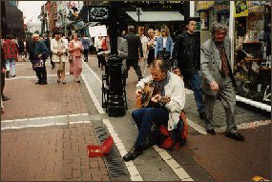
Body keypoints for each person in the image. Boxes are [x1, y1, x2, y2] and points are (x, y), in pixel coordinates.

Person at [123, 58, 185, 161]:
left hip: (169, 113)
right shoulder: (155, 76)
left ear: (164, 72)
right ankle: (148, 136)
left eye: (156, 75)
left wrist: (162, 100)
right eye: (152, 74)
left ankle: (138, 147)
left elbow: (178, 106)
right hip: (156, 108)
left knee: (148, 113)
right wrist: (139, 89)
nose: (153, 77)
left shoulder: (176, 82)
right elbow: (143, 81)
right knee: (136, 114)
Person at [201, 22, 244, 141]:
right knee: (209, 107)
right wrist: (211, 81)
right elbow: (204, 66)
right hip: (213, 79)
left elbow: (228, 57)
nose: (221, 36)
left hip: (226, 78)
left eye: (223, 34)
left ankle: (231, 130)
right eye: (218, 34)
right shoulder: (206, 46)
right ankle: (209, 125)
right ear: (213, 34)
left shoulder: (227, 41)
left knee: (231, 104)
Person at [173, 18, 207, 120]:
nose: (194, 26)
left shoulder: (197, 37)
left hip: (193, 68)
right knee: (179, 90)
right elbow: (175, 53)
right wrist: (176, 67)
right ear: (187, 26)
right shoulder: (181, 37)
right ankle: (179, 108)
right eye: (192, 24)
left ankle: (201, 110)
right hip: (182, 68)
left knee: (197, 89)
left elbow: (197, 52)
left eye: (195, 25)